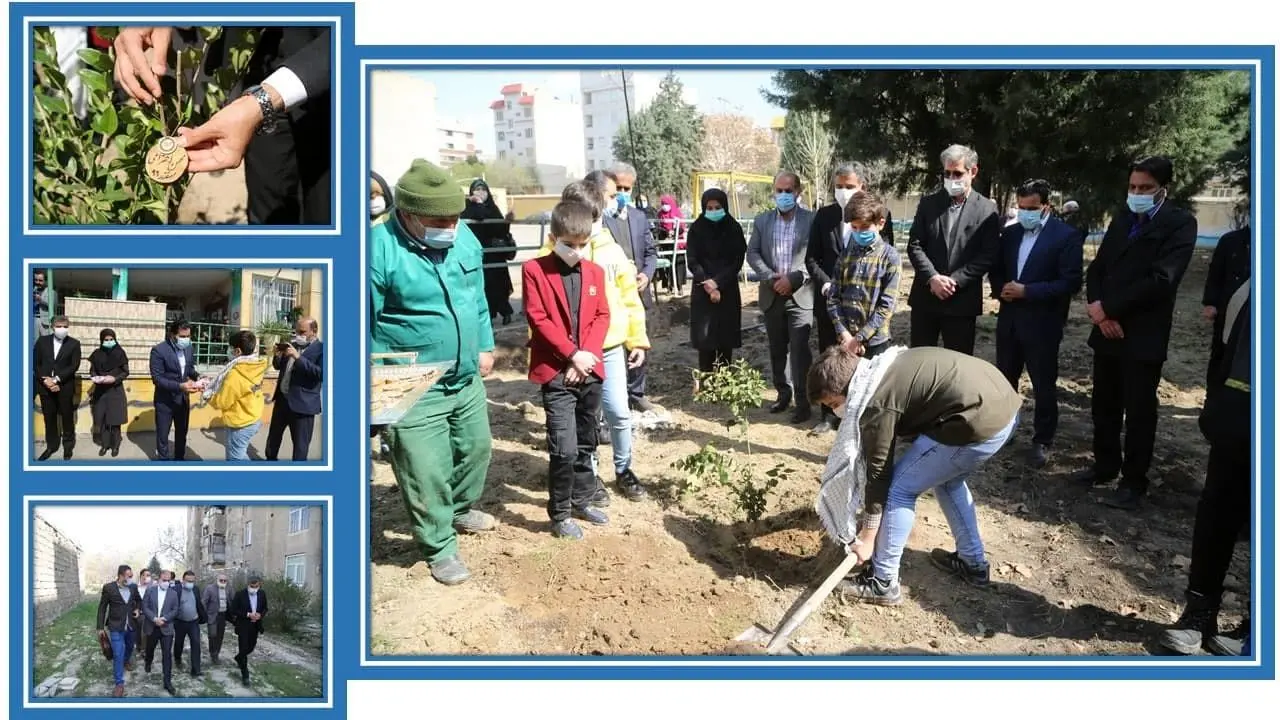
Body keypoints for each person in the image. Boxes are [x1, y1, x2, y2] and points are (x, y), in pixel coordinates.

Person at [807, 345, 1021, 605]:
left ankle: (883, 582)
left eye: (833, 404)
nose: (835, 412)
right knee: (947, 481)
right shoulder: (881, 367)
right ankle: (973, 562)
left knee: (899, 488)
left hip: (977, 421)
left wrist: (867, 538)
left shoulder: (877, 402)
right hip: (1004, 406)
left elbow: (879, 475)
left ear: (847, 387)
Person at [369, 159, 498, 586]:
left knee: (476, 450)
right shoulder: (376, 251)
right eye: (440, 221)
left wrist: (484, 344)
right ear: (408, 215)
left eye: (455, 218)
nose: (451, 227)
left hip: (465, 375)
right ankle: (439, 546)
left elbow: (477, 298)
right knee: (425, 470)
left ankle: (457, 509)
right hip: (410, 383)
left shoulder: (465, 239)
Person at [113, 26, 333, 224]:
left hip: (329, 81)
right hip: (258, 62)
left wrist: (264, 100)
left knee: (326, 206)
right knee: (268, 206)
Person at [1076, 156, 1197, 511]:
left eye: (1145, 188)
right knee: (1104, 405)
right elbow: (1098, 268)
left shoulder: (1179, 224)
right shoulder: (1123, 218)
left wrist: (1110, 309)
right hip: (1106, 329)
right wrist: (1097, 308)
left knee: (1139, 411)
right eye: (1132, 187)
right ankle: (1104, 465)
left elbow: (1162, 279)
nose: (1137, 193)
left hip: (1142, 334)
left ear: (1163, 189)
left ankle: (1133, 482)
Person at [537, 180, 650, 506]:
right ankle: (590, 475)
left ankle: (624, 469)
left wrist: (637, 339)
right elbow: (540, 314)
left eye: (596, 219)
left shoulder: (612, 251)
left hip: (609, 346)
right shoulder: (551, 255)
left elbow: (629, 298)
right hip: (571, 354)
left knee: (618, 411)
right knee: (586, 419)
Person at [1159, 278, 1250, 656]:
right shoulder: (1255, 284)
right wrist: (1218, 410)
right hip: (1239, 418)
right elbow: (1227, 348)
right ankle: (1199, 613)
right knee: (1217, 514)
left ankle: (1260, 627)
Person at [524, 200, 613, 539]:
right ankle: (560, 513)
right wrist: (572, 355)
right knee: (564, 447)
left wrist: (586, 356)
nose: (576, 251)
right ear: (553, 238)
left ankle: (582, 499)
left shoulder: (595, 273)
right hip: (557, 372)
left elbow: (602, 315)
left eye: (582, 244)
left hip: (589, 369)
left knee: (587, 441)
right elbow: (539, 319)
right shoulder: (535, 270)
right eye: (569, 244)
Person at [988, 179, 1084, 469]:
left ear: (1046, 207)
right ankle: (1003, 430)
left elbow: (1070, 282)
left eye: (1031, 208)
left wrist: (1028, 291)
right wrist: (1001, 289)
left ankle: (1042, 439)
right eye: (1021, 207)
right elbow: (997, 270)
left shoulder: (1065, 236)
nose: (1025, 213)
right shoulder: (1011, 234)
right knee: (1005, 379)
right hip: (1010, 320)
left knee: (1043, 384)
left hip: (1043, 323)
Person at [806, 162, 894, 435]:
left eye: (849, 186)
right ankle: (829, 415)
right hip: (837, 314)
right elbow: (812, 257)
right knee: (831, 369)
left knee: (869, 383)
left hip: (870, 328)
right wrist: (828, 285)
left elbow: (886, 299)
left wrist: (861, 337)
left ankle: (864, 425)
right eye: (839, 186)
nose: (843, 191)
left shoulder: (886, 246)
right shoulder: (825, 217)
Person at [905, 144, 1001, 355]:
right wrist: (932, 278)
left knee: (958, 362)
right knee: (921, 360)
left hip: (962, 302)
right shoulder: (929, 204)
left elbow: (988, 254)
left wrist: (955, 281)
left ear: (972, 171)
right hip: (926, 298)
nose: (951, 178)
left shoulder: (987, 209)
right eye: (947, 173)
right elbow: (915, 245)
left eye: (957, 173)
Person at [746, 171, 817, 424]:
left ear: (798, 192)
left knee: (799, 351)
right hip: (771, 294)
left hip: (801, 295)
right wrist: (769, 277)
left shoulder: (811, 220)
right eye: (779, 191)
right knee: (777, 349)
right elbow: (752, 253)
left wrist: (795, 278)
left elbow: (817, 255)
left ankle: (803, 402)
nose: (783, 195)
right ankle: (783, 394)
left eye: (788, 191)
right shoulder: (762, 221)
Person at [604, 164, 660, 412]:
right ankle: (613, 396)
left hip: (638, 292)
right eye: (618, 188)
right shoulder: (600, 218)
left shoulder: (638, 217)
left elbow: (650, 252)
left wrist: (646, 274)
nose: (622, 193)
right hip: (611, 294)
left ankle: (637, 393)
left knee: (639, 343)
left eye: (627, 188)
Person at [825, 192, 901, 366]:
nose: (859, 232)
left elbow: (887, 305)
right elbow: (833, 298)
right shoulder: (845, 256)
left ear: (880, 223)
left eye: (865, 227)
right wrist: (845, 335)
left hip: (875, 342)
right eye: (854, 227)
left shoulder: (890, 257)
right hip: (845, 341)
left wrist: (859, 338)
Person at [686, 188, 747, 372]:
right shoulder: (696, 229)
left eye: (717, 207)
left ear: (725, 207)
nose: (713, 211)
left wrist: (718, 282)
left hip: (727, 289)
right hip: (703, 290)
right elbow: (692, 260)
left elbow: (737, 260)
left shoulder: (734, 228)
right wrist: (708, 283)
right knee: (705, 341)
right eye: (709, 208)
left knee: (725, 339)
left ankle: (724, 380)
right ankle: (706, 379)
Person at [202, 330, 269, 461]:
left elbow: (222, 402)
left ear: (237, 351)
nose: (228, 351)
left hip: (240, 424)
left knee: (235, 459)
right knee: (239, 454)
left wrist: (207, 395)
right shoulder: (255, 365)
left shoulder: (236, 374)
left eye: (230, 348)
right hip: (253, 418)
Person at [266, 316, 323, 461]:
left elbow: (320, 374)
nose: (298, 335)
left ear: (314, 331)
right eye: (296, 331)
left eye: (302, 332)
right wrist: (277, 355)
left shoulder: (322, 349)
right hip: (282, 401)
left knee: (300, 448)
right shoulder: (292, 345)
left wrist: (298, 358)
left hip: (303, 405)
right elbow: (278, 366)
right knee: (272, 443)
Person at [1201, 215, 1250, 383]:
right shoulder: (1230, 241)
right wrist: (1210, 303)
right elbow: (1215, 274)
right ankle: (1214, 394)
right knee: (1221, 355)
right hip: (1228, 310)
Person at [464, 179, 518, 325]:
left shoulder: (493, 208)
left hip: (494, 253)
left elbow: (500, 230)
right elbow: (479, 216)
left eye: (483, 189)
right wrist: (478, 203)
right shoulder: (468, 207)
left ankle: (506, 312)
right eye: (477, 189)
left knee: (499, 284)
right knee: (485, 285)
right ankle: (489, 317)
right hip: (478, 253)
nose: (481, 192)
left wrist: (506, 221)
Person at [150, 320, 201, 461]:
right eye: (182, 336)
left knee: (181, 434)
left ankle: (179, 459)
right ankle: (164, 461)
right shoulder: (159, 350)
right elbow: (157, 379)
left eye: (188, 336)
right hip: (164, 402)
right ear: (172, 335)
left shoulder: (189, 348)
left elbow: (189, 369)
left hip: (182, 400)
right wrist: (180, 386)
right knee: (162, 436)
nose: (186, 339)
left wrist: (199, 377)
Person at [34, 315, 82, 461]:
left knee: (67, 418)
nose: (62, 329)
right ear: (52, 327)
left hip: (65, 387)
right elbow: (36, 363)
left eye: (65, 326)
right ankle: (51, 446)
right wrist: (46, 381)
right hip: (45, 387)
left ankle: (68, 447)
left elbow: (74, 365)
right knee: (49, 418)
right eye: (59, 326)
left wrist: (56, 380)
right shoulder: (42, 342)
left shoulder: (74, 344)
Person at [96, 564, 140, 698]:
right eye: (129, 576)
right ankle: (119, 683)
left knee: (130, 648)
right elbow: (102, 608)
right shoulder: (109, 588)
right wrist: (100, 627)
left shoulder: (133, 587)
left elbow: (139, 600)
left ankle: (126, 660)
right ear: (121, 576)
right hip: (115, 626)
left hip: (131, 625)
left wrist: (137, 609)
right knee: (117, 654)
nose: (131, 578)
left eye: (132, 576)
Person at [88, 328, 130, 457]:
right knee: (103, 421)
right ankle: (105, 445)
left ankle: (115, 446)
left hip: (115, 391)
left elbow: (125, 372)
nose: (109, 341)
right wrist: (97, 378)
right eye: (106, 340)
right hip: (101, 392)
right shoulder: (96, 354)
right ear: (101, 340)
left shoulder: (120, 353)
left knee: (115, 421)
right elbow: (92, 371)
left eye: (111, 339)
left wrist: (114, 379)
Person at [142, 569, 180, 695]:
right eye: (164, 580)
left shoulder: (173, 594)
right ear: (158, 579)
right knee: (150, 649)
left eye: (169, 580)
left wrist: (165, 618)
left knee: (167, 654)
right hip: (152, 626)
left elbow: (175, 609)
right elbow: (145, 607)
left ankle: (167, 682)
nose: (166, 583)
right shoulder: (150, 590)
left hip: (166, 627)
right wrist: (154, 619)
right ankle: (148, 662)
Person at [228, 573, 268, 685]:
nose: (254, 588)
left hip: (255, 625)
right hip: (243, 625)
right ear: (248, 584)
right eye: (252, 586)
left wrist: (260, 615)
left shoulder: (262, 594)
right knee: (243, 647)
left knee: (251, 647)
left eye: (256, 586)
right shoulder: (240, 594)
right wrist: (248, 614)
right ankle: (245, 675)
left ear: (259, 585)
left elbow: (265, 608)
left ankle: (238, 657)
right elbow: (233, 610)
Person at [171, 570, 208, 678]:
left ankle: (196, 670)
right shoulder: (176, 590)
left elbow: (198, 603)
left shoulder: (195, 589)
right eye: (188, 581)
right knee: (179, 642)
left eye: (192, 581)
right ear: (183, 580)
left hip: (193, 622)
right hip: (180, 622)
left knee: (196, 643)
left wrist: (203, 617)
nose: (190, 583)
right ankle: (177, 658)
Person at [201, 573, 230, 665]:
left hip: (223, 616)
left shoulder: (228, 589)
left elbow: (232, 600)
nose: (223, 582)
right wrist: (205, 614)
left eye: (225, 580)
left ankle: (216, 653)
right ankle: (213, 653)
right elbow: (204, 602)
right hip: (212, 616)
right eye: (221, 580)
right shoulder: (210, 588)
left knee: (220, 636)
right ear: (217, 580)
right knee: (212, 635)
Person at [32, 269, 52, 338]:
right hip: (33, 319)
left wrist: (41, 300)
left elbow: (53, 305)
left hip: (44, 321)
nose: (38, 282)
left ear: (45, 281)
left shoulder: (51, 291)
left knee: (46, 341)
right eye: (36, 280)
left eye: (40, 280)